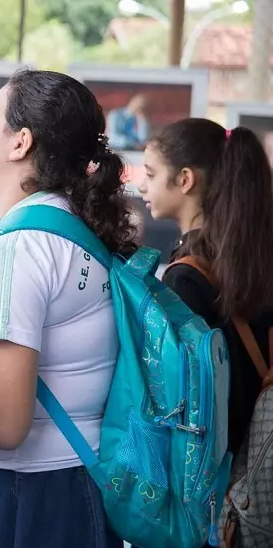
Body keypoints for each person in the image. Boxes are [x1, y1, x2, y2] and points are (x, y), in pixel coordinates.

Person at [0, 69, 132, 548]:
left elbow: (3, 422)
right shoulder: (69, 227)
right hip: (71, 486)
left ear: (20, 143)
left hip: (23, 499)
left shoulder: (17, 250)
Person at [139, 118, 273, 456]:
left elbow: (182, 394)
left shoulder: (186, 277)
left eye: (151, 174)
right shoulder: (252, 255)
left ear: (185, 179)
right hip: (257, 452)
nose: (141, 186)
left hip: (216, 462)